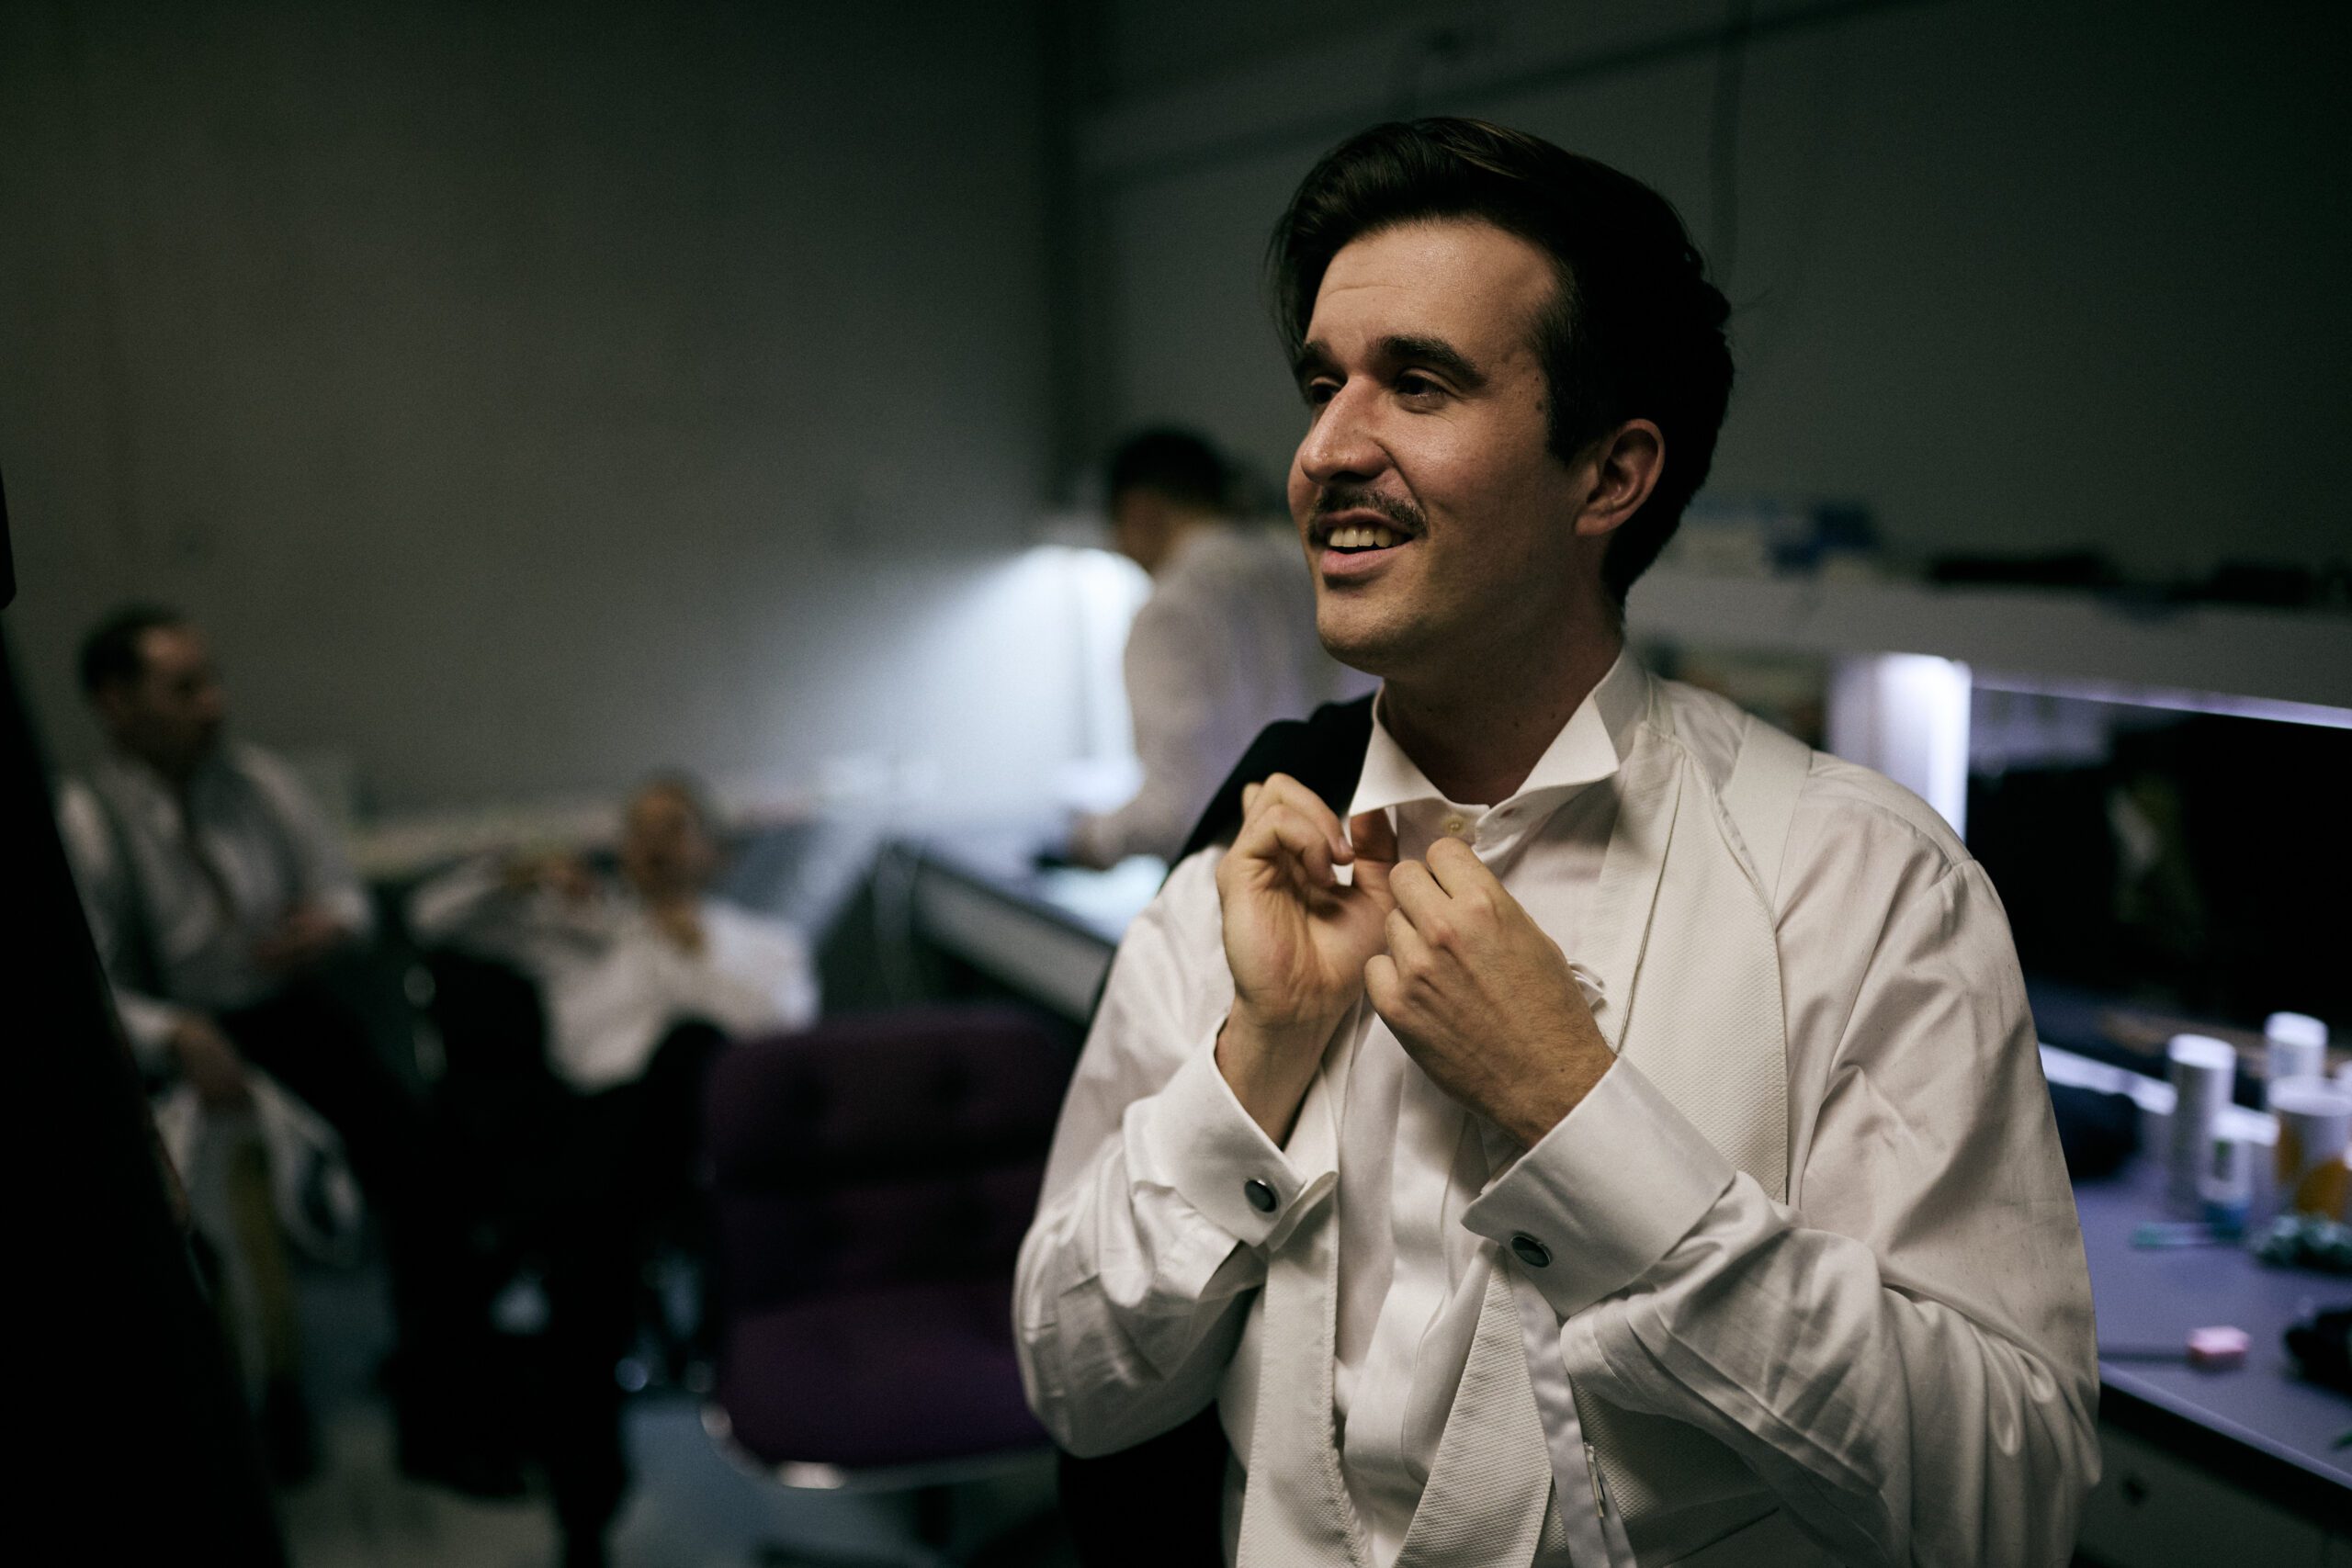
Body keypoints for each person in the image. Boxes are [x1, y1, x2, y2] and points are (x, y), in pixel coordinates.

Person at [1014, 119, 2098, 1567]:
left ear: (1610, 476)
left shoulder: (1861, 885)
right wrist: (1257, 1059)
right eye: (1324, 386)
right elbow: (1073, 1385)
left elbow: (2012, 1498)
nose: (1325, 450)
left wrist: (1582, 1118)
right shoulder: (1245, 880)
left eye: (1419, 382)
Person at [58, 603, 497, 1491]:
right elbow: (87, 983)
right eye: (184, 687)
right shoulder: (87, 819)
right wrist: (175, 1031)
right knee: (212, 1210)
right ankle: (261, 1414)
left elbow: (347, 894)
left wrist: (328, 927)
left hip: (286, 1010)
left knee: (424, 1171)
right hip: (181, 1028)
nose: (213, 704)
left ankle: (441, 1411)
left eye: (211, 681)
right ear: (117, 703)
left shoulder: (258, 782)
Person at [409, 773, 818, 1568]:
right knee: (589, 1241)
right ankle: (585, 1509)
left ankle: (580, 1492)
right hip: (593, 1142)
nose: (655, 842)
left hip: (705, 1150)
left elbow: (779, 1046)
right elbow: (431, 918)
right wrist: (517, 873)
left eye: (675, 826)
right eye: (640, 828)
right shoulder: (577, 929)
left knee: (689, 1048)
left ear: (716, 852)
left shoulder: (766, 945)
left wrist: (680, 947)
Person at [1066, 428, 1354, 868]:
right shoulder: (1308, 564)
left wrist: (1091, 839)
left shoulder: (1171, 609)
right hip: (1341, 854)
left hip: (1236, 873)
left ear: (1140, 511)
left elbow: (1176, 809)